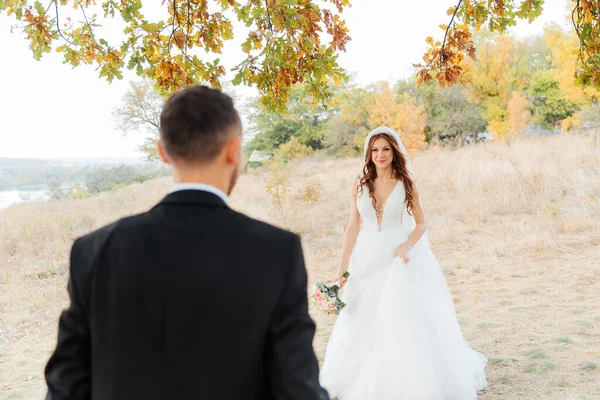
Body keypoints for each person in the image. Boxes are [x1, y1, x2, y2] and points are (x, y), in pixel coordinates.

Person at [44, 85, 329, 400]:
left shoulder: (94, 250)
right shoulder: (277, 252)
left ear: (163, 152)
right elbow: (296, 388)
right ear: (233, 150)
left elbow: (66, 386)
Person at [319, 127, 487, 400]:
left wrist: (406, 246)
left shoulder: (405, 181)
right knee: (360, 314)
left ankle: (403, 379)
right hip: (366, 256)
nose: (380, 155)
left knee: (399, 314)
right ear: (368, 153)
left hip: (397, 257)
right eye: (375, 150)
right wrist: (341, 270)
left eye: (385, 149)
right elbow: (352, 227)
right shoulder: (360, 183)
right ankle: (356, 376)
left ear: (394, 151)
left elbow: (421, 223)